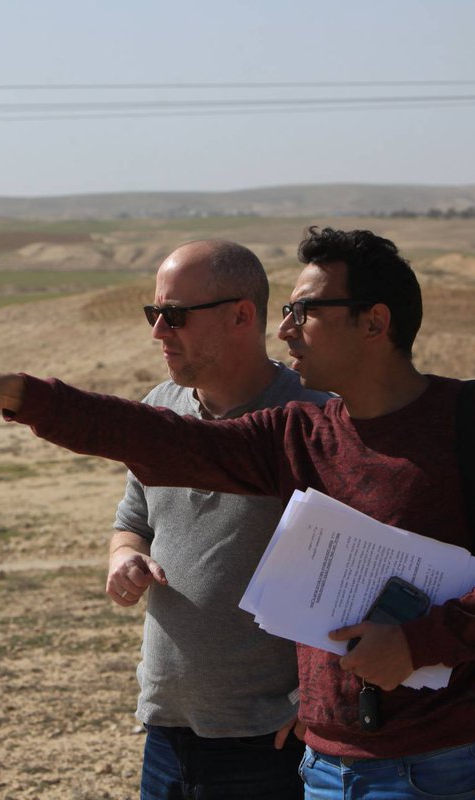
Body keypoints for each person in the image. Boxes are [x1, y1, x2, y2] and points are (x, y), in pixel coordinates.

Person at [0, 226, 475, 800]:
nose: (284, 328)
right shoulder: (300, 434)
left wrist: (418, 643)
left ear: (374, 323)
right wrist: (20, 394)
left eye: (305, 311)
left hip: (435, 769)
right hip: (319, 771)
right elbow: (161, 440)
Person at [107, 239, 327, 800]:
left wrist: (318, 699)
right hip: (167, 725)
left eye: (175, 315)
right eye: (154, 313)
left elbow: (361, 575)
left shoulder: (317, 420)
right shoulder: (161, 407)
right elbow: (134, 520)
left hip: (270, 739)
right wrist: (125, 557)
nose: (159, 331)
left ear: (241, 316)